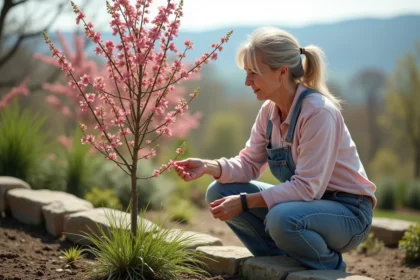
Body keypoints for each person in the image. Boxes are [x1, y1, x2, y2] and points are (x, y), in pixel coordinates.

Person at [173, 27, 376, 271]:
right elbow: (248, 164)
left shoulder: (318, 113)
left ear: (281, 72)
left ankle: (328, 268)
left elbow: (307, 187)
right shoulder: (269, 112)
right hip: (306, 206)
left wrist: (245, 202)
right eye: (246, 73)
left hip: (349, 213)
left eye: (254, 73)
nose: (247, 81)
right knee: (219, 192)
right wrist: (209, 166)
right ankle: (276, 264)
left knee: (281, 218)